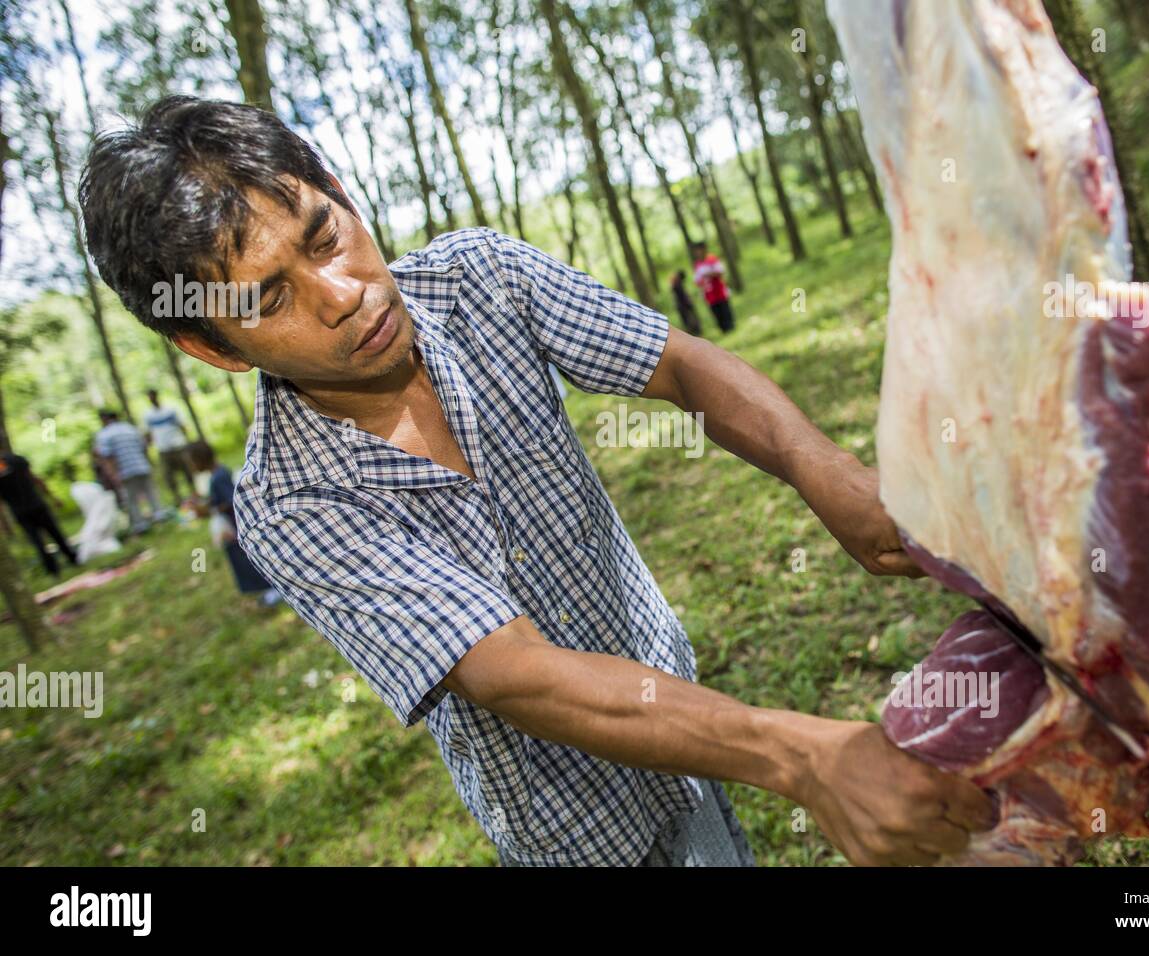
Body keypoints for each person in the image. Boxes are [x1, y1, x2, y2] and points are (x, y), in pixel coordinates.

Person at [79, 95, 994, 868]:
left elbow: (677, 364)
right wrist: (804, 757)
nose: (341, 292)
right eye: (269, 298)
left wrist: (821, 467)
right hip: (573, 830)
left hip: (696, 729)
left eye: (327, 237)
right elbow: (513, 674)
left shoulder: (484, 280)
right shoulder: (289, 507)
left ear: (346, 199)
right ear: (210, 345)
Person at [188, 441, 282, 606]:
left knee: (248, 561)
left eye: (192, 462)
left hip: (235, 528)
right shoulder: (218, 473)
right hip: (234, 527)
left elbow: (230, 500)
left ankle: (272, 589)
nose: (192, 467)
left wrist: (210, 511)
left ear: (200, 459)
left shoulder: (219, 477)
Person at [0, 451, 79, 577]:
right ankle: (72, 559)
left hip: (21, 511)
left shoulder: (14, 460)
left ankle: (54, 570)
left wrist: (3, 523)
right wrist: (52, 497)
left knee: (37, 541)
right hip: (35, 504)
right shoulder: (16, 459)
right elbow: (34, 478)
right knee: (54, 533)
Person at [93, 409, 168, 534]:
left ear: (104, 419)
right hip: (141, 465)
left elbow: (107, 456)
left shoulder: (104, 434)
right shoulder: (130, 428)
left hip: (124, 470)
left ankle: (140, 525)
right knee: (150, 492)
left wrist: (113, 473)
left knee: (131, 499)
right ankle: (159, 515)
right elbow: (143, 446)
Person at [143, 388, 195, 505]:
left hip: (177, 445)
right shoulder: (148, 415)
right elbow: (148, 433)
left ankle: (194, 493)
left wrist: (187, 441)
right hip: (163, 449)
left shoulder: (170, 410)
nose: (151, 399)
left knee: (187, 470)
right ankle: (178, 499)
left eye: (152, 396)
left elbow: (182, 425)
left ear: (156, 396)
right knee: (169, 475)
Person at [690, 240, 735, 334]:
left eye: (699, 250)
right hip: (708, 293)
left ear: (704, 249)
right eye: (696, 251)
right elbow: (697, 280)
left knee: (724, 308)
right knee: (715, 311)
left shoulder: (712, 259)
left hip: (719, 290)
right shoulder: (697, 264)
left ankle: (730, 327)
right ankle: (723, 329)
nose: (698, 252)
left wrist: (708, 274)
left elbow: (720, 271)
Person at [668, 270, 702, 336]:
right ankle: (695, 331)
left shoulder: (676, 284)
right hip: (684, 305)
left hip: (681, 305)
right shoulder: (677, 284)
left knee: (688, 319)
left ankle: (694, 331)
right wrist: (688, 301)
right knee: (690, 318)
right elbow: (682, 295)